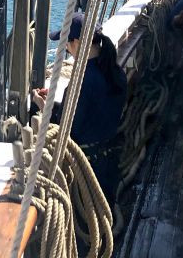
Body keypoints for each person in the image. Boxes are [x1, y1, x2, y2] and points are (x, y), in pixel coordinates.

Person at [32, 12, 127, 209]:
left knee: (90, 220)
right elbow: (95, 111)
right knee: (105, 211)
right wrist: (57, 105)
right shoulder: (114, 70)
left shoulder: (81, 81)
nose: (65, 47)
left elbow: (69, 130)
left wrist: (44, 108)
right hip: (111, 157)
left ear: (76, 42)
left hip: (88, 167)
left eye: (66, 42)